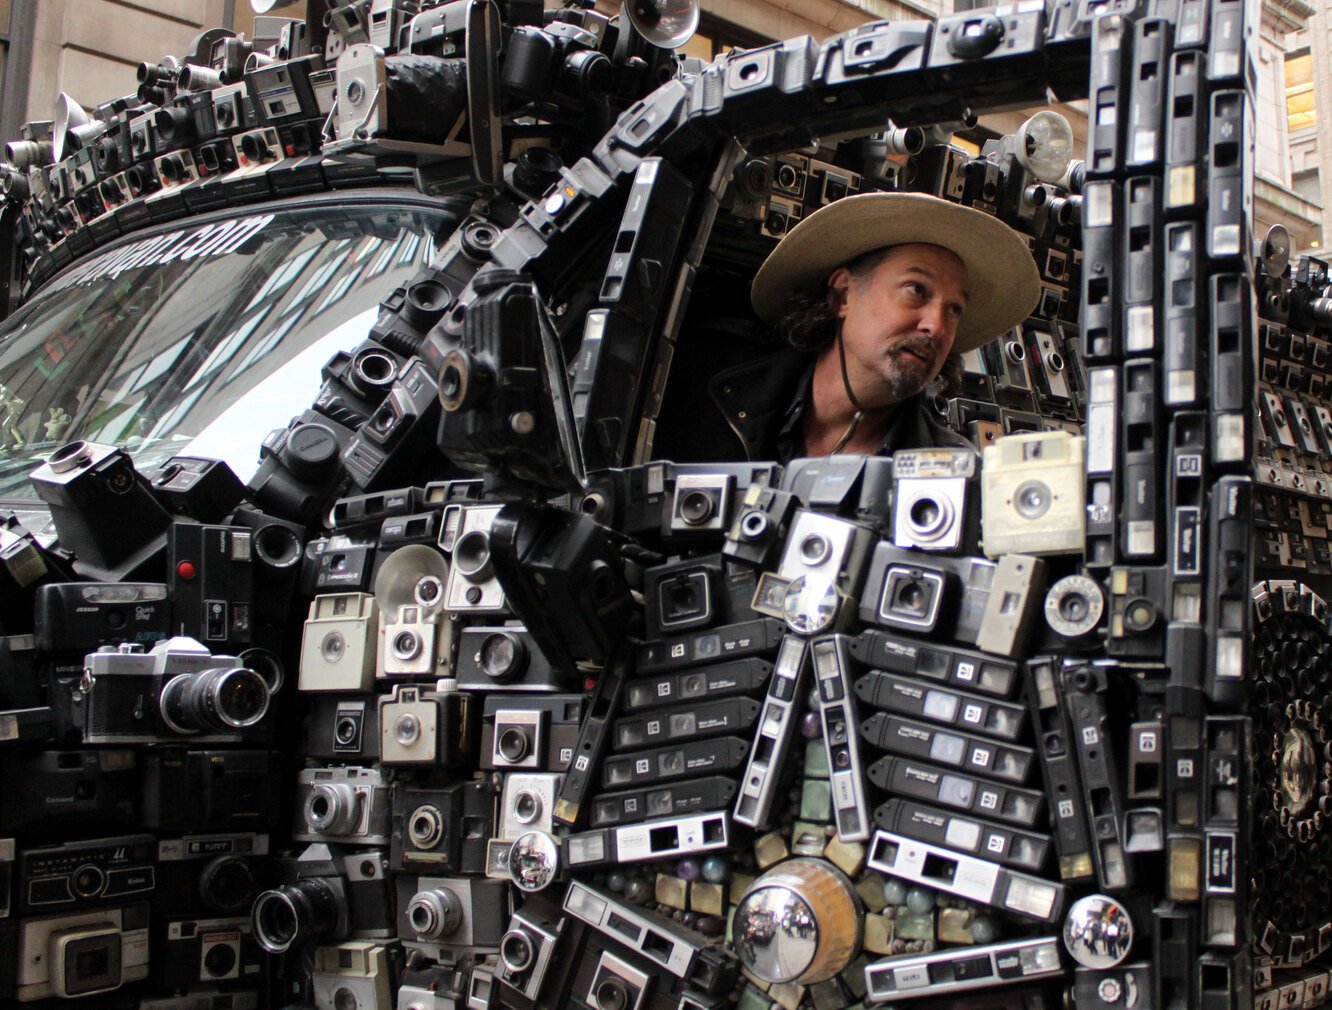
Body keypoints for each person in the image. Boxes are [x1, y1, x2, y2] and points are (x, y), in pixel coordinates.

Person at [667, 191, 1042, 463]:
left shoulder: (950, 474)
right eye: (916, 290)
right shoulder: (705, 370)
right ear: (842, 294)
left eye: (954, 308)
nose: (936, 325)